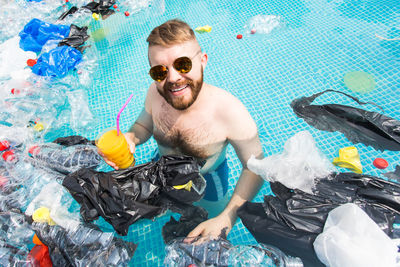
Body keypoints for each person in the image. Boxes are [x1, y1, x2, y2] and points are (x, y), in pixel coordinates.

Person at [103, 19, 264, 239]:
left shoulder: (230, 112)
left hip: (208, 178)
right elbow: (143, 126)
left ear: (203, 61)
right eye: (160, 71)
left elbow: (255, 167)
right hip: (162, 165)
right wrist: (131, 137)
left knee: (210, 219)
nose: (173, 78)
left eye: (183, 65)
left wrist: (227, 217)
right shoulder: (155, 93)